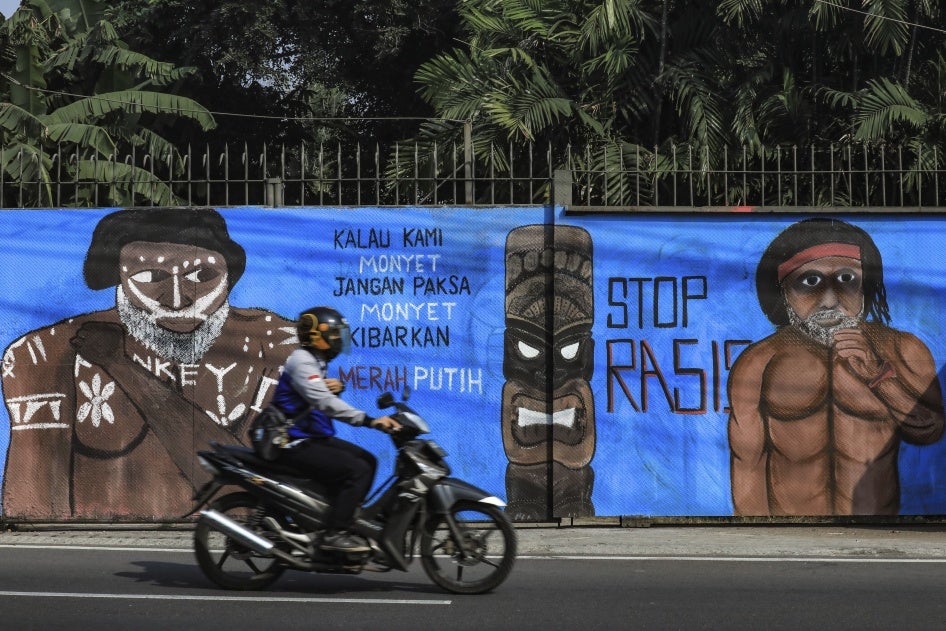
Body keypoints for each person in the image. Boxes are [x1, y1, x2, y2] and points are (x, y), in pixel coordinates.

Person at [1, 208, 297, 520]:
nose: (177, 300)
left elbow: (246, 494)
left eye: (201, 276)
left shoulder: (275, 347)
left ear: (229, 275)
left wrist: (120, 366)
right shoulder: (45, 352)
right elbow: (32, 507)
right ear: (119, 277)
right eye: (150, 277)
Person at [728, 218, 945, 516]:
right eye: (810, 282)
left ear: (864, 286)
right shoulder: (759, 362)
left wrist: (878, 375)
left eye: (846, 279)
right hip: (790, 533)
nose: (830, 301)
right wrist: (760, 539)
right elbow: (748, 466)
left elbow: (930, 431)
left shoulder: (901, 350)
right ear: (784, 292)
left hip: (877, 534)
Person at [272, 305, 400, 552]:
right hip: (294, 442)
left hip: (312, 438)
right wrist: (369, 420)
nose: (338, 339)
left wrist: (333, 387)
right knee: (358, 470)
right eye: (333, 334)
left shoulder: (315, 361)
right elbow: (324, 403)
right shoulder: (302, 361)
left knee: (369, 461)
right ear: (315, 335)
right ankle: (334, 533)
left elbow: (314, 396)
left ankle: (342, 517)